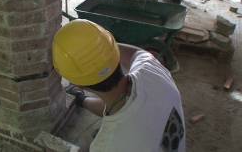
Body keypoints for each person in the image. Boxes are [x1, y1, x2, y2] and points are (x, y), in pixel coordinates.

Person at [52, 19, 185, 152]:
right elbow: (138, 54)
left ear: (77, 84)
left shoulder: (106, 146)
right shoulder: (151, 70)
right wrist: (82, 100)